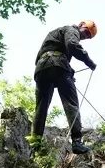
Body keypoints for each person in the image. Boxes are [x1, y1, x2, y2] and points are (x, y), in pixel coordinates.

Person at [31, 20, 98, 154]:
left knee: (41, 107)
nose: (84, 37)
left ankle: (35, 145)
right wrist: (89, 62)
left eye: (88, 37)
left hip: (41, 69)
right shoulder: (71, 30)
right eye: (86, 32)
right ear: (81, 25)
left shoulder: (56, 34)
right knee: (71, 103)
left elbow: (46, 53)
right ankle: (77, 142)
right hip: (58, 65)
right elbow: (72, 45)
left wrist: (69, 69)